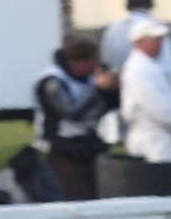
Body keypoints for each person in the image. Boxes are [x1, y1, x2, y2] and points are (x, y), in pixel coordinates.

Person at [32, 34, 118, 200]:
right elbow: (71, 113)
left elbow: (104, 108)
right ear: (77, 62)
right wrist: (99, 90)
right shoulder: (52, 81)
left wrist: (113, 91)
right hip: (61, 148)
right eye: (93, 61)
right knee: (76, 198)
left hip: (88, 144)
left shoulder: (90, 77)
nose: (96, 65)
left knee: (97, 195)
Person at [120, 21, 171, 163]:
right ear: (139, 42)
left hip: (158, 135)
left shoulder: (149, 66)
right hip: (154, 138)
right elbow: (157, 105)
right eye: (154, 40)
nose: (159, 44)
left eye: (160, 40)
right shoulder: (141, 69)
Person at [101, 0, 171, 82]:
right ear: (150, 2)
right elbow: (169, 65)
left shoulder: (112, 30)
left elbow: (106, 63)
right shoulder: (158, 29)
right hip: (150, 85)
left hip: (116, 88)